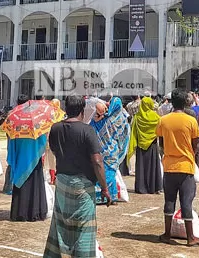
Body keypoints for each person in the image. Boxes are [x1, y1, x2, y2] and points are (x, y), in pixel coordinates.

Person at [44, 95, 110, 258]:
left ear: (66, 109)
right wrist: (105, 188)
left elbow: (53, 149)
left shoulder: (56, 128)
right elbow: (97, 161)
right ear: (82, 110)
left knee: (61, 224)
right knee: (83, 228)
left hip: (62, 182)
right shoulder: (87, 130)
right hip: (82, 186)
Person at [156, 90, 199, 247]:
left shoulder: (163, 120)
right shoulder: (190, 120)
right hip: (186, 166)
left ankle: (166, 233)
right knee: (186, 202)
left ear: (171, 103)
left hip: (169, 166)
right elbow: (197, 144)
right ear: (186, 103)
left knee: (169, 200)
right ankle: (191, 237)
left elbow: (161, 143)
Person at [8, 95, 53, 222]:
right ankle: (35, 211)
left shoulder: (14, 121)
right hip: (34, 158)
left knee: (21, 185)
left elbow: (11, 142)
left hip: (19, 158)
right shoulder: (36, 121)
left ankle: (19, 213)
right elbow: (42, 141)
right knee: (35, 186)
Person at [90, 97, 130, 202]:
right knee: (111, 173)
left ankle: (99, 196)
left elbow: (91, 129)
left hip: (99, 151)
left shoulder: (99, 119)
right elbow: (125, 135)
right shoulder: (121, 119)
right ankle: (112, 196)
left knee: (99, 172)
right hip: (113, 151)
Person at [127, 96, 162, 194]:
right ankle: (153, 187)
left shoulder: (137, 117)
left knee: (141, 167)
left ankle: (141, 187)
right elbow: (160, 131)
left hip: (140, 145)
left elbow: (133, 132)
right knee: (153, 166)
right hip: (152, 145)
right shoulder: (156, 117)